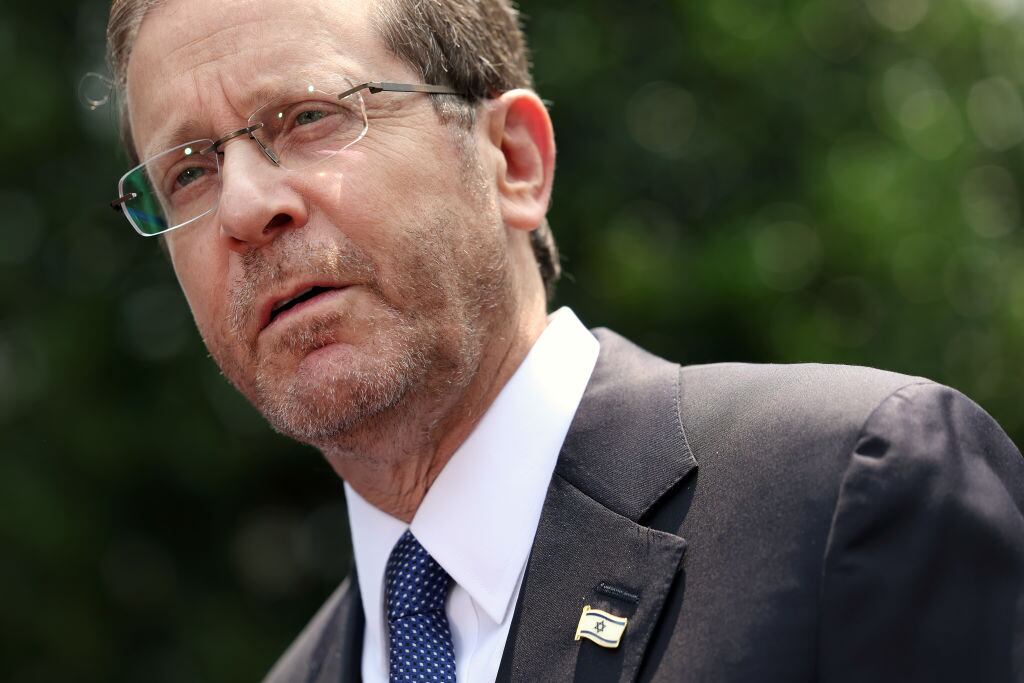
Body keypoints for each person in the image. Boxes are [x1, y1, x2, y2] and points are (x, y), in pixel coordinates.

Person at [103, 0, 1024, 680]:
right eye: (188, 172)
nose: (245, 207)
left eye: (307, 117)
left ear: (512, 161)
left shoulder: (846, 495)